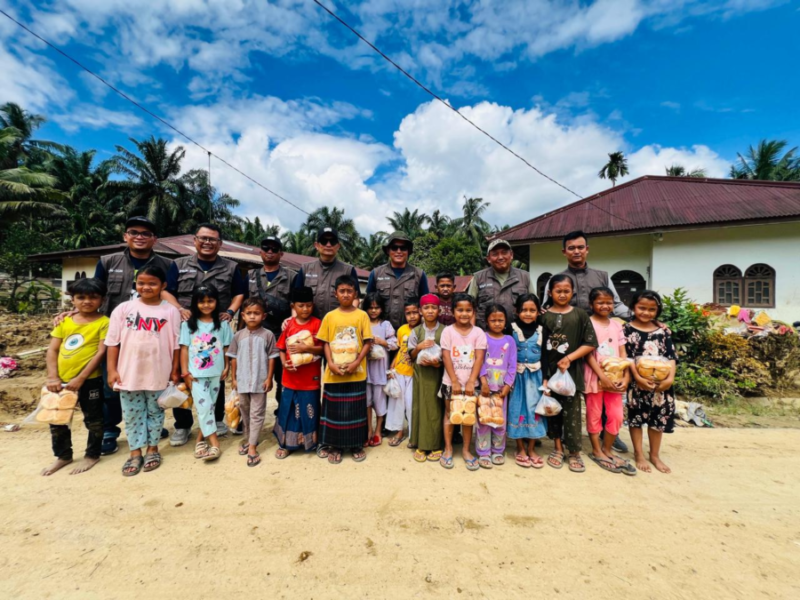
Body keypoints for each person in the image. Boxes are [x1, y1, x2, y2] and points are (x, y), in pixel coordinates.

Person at [57, 216, 179, 456]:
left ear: (154, 239)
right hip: (116, 335)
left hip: (153, 334)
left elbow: (170, 295)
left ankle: (149, 426)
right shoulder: (108, 261)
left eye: (146, 233)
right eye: (134, 232)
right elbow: (94, 292)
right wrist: (78, 310)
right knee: (112, 384)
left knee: (153, 383)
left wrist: (179, 310)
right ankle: (110, 430)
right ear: (125, 236)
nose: (139, 237)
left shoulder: (167, 264)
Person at [544, 230, 631, 454]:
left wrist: (639, 318)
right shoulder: (558, 279)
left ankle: (608, 434)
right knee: (568, 389)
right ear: (564, 252)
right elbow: (546, 308)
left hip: (598, 343)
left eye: (580, 247)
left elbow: (616, 304)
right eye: (571, 248)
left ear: (587, 249)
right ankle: (566, 433)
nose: (576, 251)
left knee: (603, 387)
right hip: (568, 344)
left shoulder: (602, 276)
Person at [171, 223, 246, 446]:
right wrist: (179, 308)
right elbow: (167, 291)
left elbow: (239, 293)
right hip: (189, 328)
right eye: (203, 238)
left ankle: (216, 420)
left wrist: (230, 312)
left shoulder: (231, 267)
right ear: (195, 240)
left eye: (212, 239)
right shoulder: (178, 265)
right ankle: (183, 425)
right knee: (186, 380)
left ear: (220, 243)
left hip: (215, 328)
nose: (207, 242)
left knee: (215, 375)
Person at [106, 265, 181, 476]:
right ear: (135, 284)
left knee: (155, 412)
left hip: (159, 371)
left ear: (163, 285)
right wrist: (112, 370)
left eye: (152, 283)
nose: (146, 287)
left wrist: (175, 370)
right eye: (141, 283)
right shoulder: (123, 309)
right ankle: (135, 452)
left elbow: (176, 344)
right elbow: (112, 342)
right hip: (129, 373)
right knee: (132, 414)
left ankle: (152, 449)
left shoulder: (170, 311)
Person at [42, 278, 109, 476]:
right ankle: (63, 455)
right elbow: (53, 350)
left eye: (93, 297)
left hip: (90, 380)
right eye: (81, 297)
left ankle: (92, 454)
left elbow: (101, 352)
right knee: (57, 419)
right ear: (72, 300)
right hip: (60, 381)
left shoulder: (105, 323)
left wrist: (81, 378)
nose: (87, 301)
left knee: (94, 419)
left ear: (102, 300)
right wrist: (52, 377)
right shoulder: (64, 321)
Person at [540, 274, 597, 474]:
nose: (562, 294)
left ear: (573, 292)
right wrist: (544, 375)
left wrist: (570, 358)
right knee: (553, 411)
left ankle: (574, 452)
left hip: (571, 373)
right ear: (550, 293)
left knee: (572, 414)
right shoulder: (543, 317)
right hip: (550, 372)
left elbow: (590, 343)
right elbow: (540, 346)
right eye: (558, 291)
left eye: (566, 291)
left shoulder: (580, 315)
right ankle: (557, 448)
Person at [316, 276, 373, 464]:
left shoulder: (362, 316)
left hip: (356, 373)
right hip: (334, 374)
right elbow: (325, 342)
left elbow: (367, 342)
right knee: (335, 413)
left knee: (356, 412)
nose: (346, 294)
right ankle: (335, 446)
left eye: (350, 291)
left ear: (355, 293)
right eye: (342, 291)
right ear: (336, 294)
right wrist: (330, 364)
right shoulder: (330, 316)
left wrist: (356, 362)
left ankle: (356, 445)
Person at [584, 287, 636, 475]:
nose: (605, 306)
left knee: (616, 415)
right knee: (594, 414)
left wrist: (625, 376)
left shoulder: (616, 325)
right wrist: (602, 376)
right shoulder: (588, 323)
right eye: (600, 302)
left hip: (616, 378)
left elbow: (623, 352)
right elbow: (588, 354)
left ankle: (607, 449)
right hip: (594, 376)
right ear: (591, 304)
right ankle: (596, 450)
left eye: (609, 302)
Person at [624, 290, 677, 474]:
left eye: (651, 309)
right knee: (636, 418)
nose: (646, 312)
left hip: (661, 385)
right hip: (637, 383)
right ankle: (638, 454)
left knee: (658, 419)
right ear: (633, 307)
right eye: (642, 308)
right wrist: (637, 378)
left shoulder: (663, 331)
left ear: (657, 310)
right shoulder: (626, 330)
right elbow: (627, 357)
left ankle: (654, 455)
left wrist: (669, 379)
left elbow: (671, 356)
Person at [179, 286, 233, 463]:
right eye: (201, 301)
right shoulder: (187, 325)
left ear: (216, 302)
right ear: (195, 303)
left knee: (209, 407)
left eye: (210, 301)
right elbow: (184, 349)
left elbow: (226, 347)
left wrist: (227, 366)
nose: (206, 305)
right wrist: (185, 372)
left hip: (216, 373)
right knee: (204, 407)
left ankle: (199, 440)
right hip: (196, 374)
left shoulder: (223, 324)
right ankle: (215, 443)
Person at [246, 235, 297, 415]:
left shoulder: (292, 277)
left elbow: (296, 305)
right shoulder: (250, 276)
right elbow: (244, 306)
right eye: (266, 248)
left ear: (281, 253)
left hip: (281, 335)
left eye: (274, 249)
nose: (270, 251)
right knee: (254, 376)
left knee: (283, 377)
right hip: (255, 335)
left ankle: (282, 415)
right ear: (260, 252)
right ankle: (252, 416)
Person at [228, 298, 278, 467]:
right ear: (242, 315)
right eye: (248, 313)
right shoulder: (238, 336)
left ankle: (252, 447)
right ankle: (249, 439)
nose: (252, 316)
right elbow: (233, 358)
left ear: (263, 316)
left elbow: (272, 357)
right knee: (245, 411)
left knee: (257, 413)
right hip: (242, 381)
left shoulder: (268, 335)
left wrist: (269, 378)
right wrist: (234, 378)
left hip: (259, 381)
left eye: (256, 313)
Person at [274, 287, 323, 459]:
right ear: (293, 306)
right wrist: (284, 364)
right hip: (290, 377)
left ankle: (312, 442)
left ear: (313, 305)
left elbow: (323, 349)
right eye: (301, 306)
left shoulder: (317, 324)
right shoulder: (289, 325)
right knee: (288, 411)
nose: (305, 309)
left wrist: (306, 348)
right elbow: (281, 348)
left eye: (309, 305)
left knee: (310, 410)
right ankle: (287, 444)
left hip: (310, 379)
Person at [440, 293, 487, 471]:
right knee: (449, 414)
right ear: (453, 311)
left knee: (468, 416)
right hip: (450, 382)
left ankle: (466, 450)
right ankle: (448, 449)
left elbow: (479, 358)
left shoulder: (478, 333)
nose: (464, 314)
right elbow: (446, 356)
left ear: (474, 312)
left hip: (471, 384)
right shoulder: (447, 331)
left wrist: (471, 381)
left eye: (468, 310)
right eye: (460, 310)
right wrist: (454, 381)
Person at [507, 293, 547, 468]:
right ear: (517, 311)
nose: (528, 314)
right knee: (516, 408)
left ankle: (531, 448)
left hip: (536, 377)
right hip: (516, 377)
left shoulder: (542, 329)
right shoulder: (510, 328)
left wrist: (546, 379)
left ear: (538, 312)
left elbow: (546, 356)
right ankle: (520, 447)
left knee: (534, 409)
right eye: (524, 310)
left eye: (532, 310)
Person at [476, 304, 516, 469]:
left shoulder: (509, 340)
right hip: (484, 389)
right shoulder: (482, 338)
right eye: (493, 320)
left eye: (501, 320)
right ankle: (483, 452)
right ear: (487, 321)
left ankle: (498, 450)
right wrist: (484, 382)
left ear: (506, 321)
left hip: (501, 390)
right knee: (484, 421)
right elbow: (478, 361)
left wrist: (508, 385)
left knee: (500, 421)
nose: (497, 323)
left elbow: (512, 365)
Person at [407, 294, 445, 462]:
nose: (430, 311)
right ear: (420, 311)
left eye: (434, 308)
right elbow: (411, 355)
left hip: (438, 375)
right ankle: (420, 443)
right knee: (420, 407)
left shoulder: (445, 330)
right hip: (421, 376)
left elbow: (448, 355)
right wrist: (419, 347)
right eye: (426, 308)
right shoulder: (416, 331)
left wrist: (437, 363)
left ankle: (436, 444)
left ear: (439, 310)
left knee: (436, 409)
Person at [366, 232, 429, 331]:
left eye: (403, 248)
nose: (398, 251)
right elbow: (368, 303)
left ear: (408, 251)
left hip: (411, 331)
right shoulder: (376, 273)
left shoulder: (419, 274)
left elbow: (426, 305)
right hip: (381, 331)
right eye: (394, 248)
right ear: (388, 250)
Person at [293, 227, 360, 319]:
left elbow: (355, 299)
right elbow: (295, 300)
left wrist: (349, 319)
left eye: (332, 242)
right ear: (316, 245)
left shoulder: (348, 270)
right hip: (310, 324)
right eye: (324, 241)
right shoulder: (305, 269)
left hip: (339, 323)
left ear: (338, 246)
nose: (328, 245)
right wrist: (294, 321)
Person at [468, 239, 534, 330]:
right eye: (495, 254)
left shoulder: (524, 276)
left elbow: (533, 305)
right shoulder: (478, 277)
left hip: (517, 334)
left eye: (504, 253)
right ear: (488, 259)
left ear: (511, 255)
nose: (500, 257)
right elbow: (469, 307)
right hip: (485, 334)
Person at [386, 298, 420, 447]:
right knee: (398, 403)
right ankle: (399, 432)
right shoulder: (401, 329)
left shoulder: (422, 330)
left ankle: (414, 434)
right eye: (408, 313)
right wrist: (392, 365)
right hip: (400, 371)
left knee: (411, 404)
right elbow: (400, 349)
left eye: (415, 312)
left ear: (420, 312)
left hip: (414, 374)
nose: (412, 316)